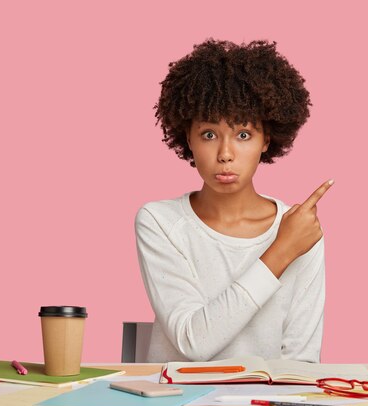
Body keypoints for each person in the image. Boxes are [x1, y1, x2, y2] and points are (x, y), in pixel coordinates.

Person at [135, 39, 333, 363]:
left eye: (243, 135)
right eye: (209, 135)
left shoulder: (302, 230)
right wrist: (282, 250)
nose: (225, 154)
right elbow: (193, 341)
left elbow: (301, 364)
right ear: (188, 138)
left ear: (266, 139)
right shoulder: (160, 222)